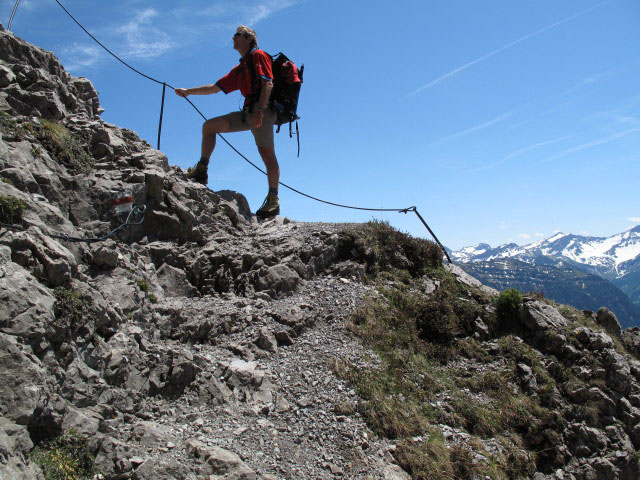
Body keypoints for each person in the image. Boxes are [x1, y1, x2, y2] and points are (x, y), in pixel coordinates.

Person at [175, 25, 280, 218]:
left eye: (237, 35)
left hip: (261, 111)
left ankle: (273, 200)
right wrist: (188, 91)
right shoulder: (240, 68)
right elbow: (214, 88)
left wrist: (260, 110)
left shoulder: (259, 56)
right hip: (248, 112)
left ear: (249, 38)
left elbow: (268, 83)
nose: (233, 38)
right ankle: (201, 170)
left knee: (266, 153)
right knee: (209, 127)